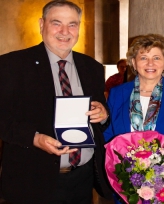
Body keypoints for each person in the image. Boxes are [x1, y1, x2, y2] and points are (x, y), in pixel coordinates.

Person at [0, 0, 113, 203]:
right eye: (56, 23)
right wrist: (34, 138)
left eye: (72, 24)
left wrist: (103, 115)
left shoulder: (93, 68)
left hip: (82, 181)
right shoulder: (11, 65)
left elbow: (99, 117)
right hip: (31, 181)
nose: (64, 31)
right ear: (41, 24)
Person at [103, 33, 164, 203]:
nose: (150, 63)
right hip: (126, 186)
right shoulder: (117, 94)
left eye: (156, 57)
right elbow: (108, 134)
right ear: (134, 62)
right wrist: (122, 172)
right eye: (143, 58)